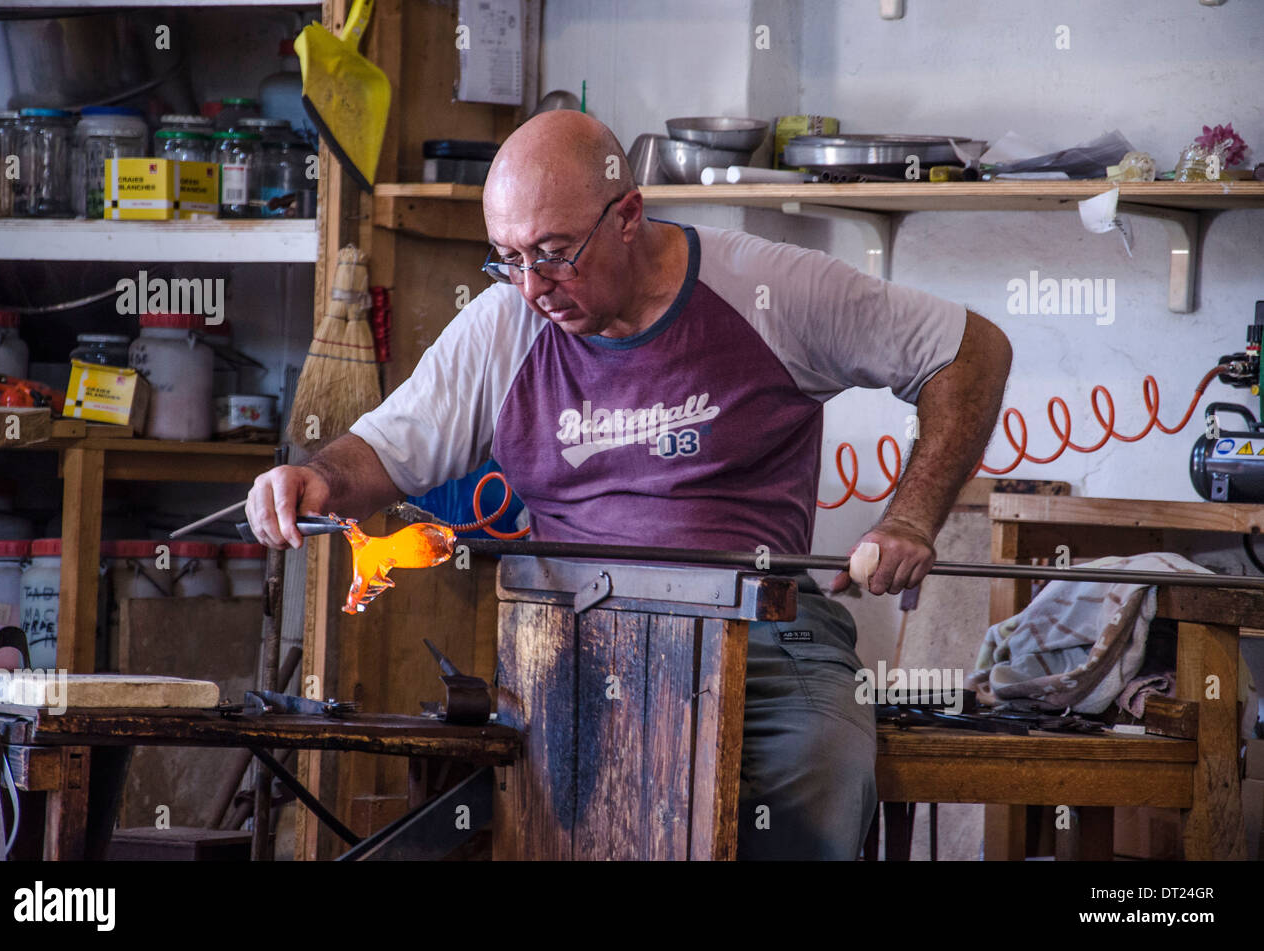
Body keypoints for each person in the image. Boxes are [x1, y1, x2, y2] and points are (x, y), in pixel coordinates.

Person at [246, 110, 1013, 860]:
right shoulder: (502, 326)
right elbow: (379, 453)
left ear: (628, 215)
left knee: (818, 770)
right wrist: (311, 478)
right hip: (576, 645)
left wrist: (911, 519)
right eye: (507, 258)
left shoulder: (769, 289)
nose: (532, 284)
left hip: (763, 635)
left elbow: (970, 350)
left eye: (553, 251)